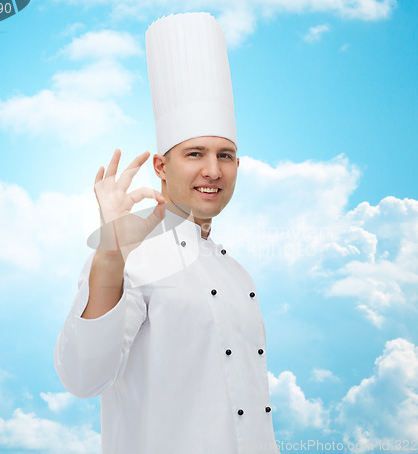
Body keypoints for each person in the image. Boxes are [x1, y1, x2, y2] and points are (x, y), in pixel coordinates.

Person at [55, 12, 278, 454]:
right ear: (161, 166)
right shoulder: (130, 257)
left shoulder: (238, 274)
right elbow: (83, 378)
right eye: (195, 153)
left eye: (226, 155)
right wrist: (111, 257)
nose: (212, 170)